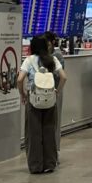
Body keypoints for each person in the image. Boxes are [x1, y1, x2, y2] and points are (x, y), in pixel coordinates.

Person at [18, 35, 66, 173]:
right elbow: (64, 77)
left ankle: (35, 165)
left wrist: (23, 94)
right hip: (50, 100)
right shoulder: (53, 60)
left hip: (34, 100)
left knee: (34, 133)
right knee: (49, 131)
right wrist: (57, 90)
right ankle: (50, 164)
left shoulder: (29, 60)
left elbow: (20, 79)